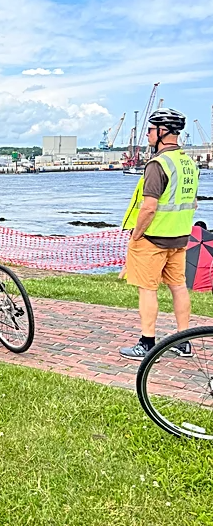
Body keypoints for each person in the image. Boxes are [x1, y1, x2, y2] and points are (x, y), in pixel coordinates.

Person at [119, 108, 199, 360]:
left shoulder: (158, 164)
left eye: (151, 130)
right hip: (180, 236)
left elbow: (149, 207)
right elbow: (191, 202)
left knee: (147, 289)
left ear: (163, 132)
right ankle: (183, 341)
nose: (147, 135)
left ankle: (146, 343)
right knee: (179, 287)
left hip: (153, 238)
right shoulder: (188, 163)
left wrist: (136, 235)